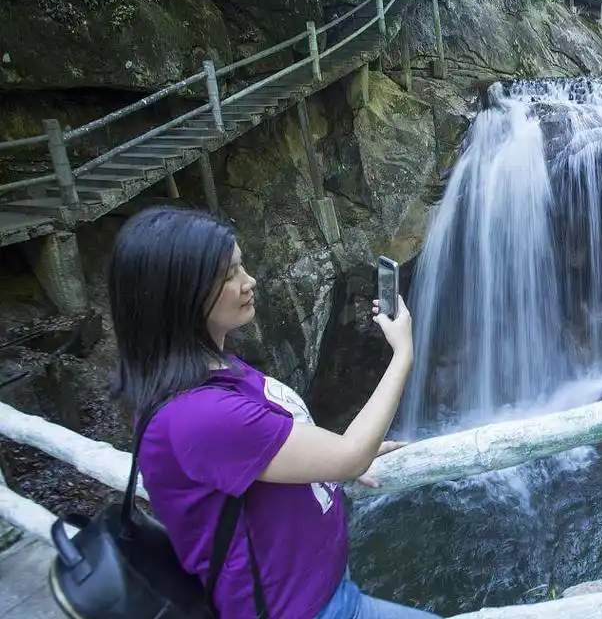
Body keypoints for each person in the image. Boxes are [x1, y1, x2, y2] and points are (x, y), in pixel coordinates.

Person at [106, 206, 439, 619]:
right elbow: (350, 454)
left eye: (241, 265)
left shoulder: (213, 368)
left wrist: (327, 459)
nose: (249, 281)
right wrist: (403, 353)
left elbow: (267, 450)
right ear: (178, 293)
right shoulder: (199, 415)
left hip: (320, 591)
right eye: (229, 274)